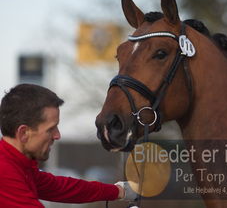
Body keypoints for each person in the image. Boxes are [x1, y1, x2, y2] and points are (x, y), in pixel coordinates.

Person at [0, 84, 135, 207]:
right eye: (50, 129)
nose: (57, 135)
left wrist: (119, 191)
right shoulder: (5, 172)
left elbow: (62, 188)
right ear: (23, 133)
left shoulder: (19, 165)